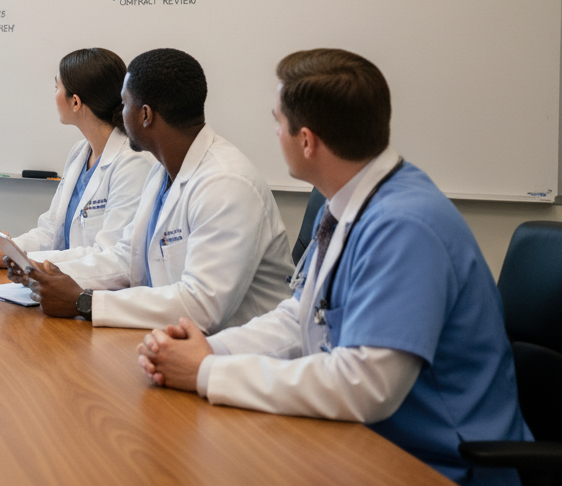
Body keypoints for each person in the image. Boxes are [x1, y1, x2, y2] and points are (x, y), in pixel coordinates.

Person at [135, 49, 531, 485]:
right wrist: (211, 350)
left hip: (436, 464)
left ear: (306, 141)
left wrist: (207, 372)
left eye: (278, 122)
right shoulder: (349, 200)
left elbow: (365, 386)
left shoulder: (404, 226)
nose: (275, 133)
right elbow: (301, 318)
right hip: (358, 445)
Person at [12, 48, 293, 333]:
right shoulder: (163, 170)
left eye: (124, 105)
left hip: (239, 355)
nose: (119, 115)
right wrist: (46, 273)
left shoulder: (226, 183)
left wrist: (85, 303)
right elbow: (126, 258)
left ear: (145, 115)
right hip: (174, 342)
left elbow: (202, 306)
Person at [0, 48, 155, 267]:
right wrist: (9, 247)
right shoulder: (79, 152)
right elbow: (51, 232)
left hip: (101, 293)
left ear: (75, 102)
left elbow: (110, 256)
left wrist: (16, 258)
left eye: (57, 87)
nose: (54, 94)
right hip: (63, 285)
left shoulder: (133, 162)